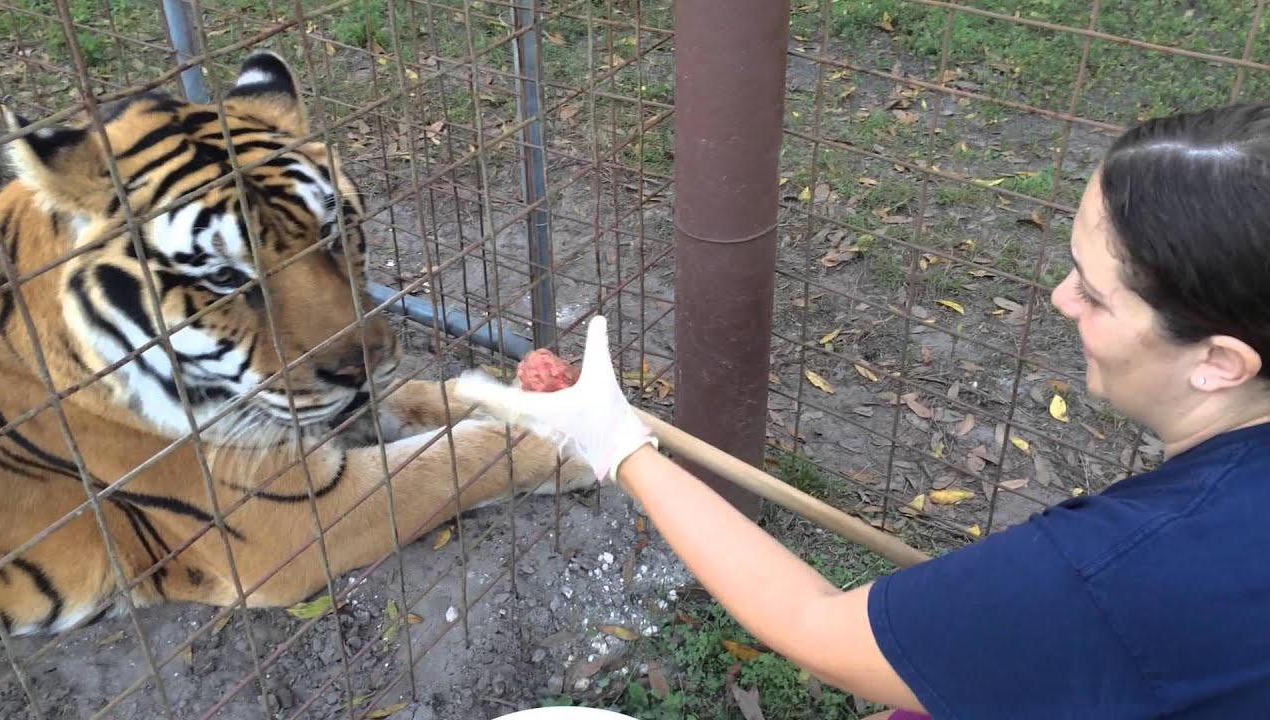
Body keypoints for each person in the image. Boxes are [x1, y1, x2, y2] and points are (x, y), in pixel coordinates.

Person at [454, 103, 1270, 718]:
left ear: (1220, 362)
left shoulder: (1120, 576)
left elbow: (819, 629)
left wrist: (619, 445)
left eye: (1092, 292)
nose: (1060, 299)